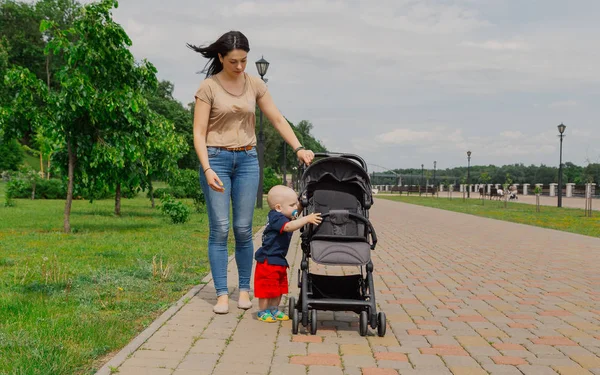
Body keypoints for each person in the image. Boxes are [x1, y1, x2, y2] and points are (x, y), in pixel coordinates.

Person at [187, 31, 315, 314]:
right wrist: (207, 168)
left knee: (244, 230)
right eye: (234, 61)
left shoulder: (254, 84)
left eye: (244, 60)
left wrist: (298, 148)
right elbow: (198, 133)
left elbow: (278, 118)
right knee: (220, 229)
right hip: (216, 159)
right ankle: (222, 294)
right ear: (221, 57)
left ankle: (244, 289)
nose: (240, 67)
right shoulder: (208, 87)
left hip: (247, 160)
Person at [254, 185, 322, 322]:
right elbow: (289, 227)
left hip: (279, 259)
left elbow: (294, 215)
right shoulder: (275, 218)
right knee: (266, 288)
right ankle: (262, 311)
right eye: (292, 205)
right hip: (268, 260)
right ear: (278, 207)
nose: (295, 208)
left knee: (279, 288)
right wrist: (306, 219)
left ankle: (274, 309)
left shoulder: (284, 214)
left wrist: (301, 206)